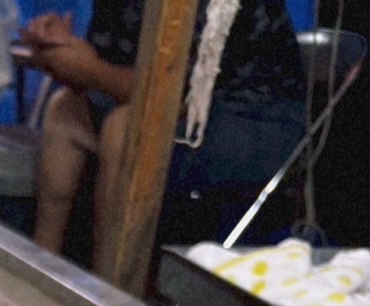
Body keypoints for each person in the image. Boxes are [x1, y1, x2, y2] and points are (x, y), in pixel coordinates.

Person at [23, 0, 306, 267]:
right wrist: (63, 51)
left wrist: (86, 68)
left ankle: (111, 290)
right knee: (65, 110)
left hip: (256, 120)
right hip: (181, 107)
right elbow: (110, 69)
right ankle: (41, 269)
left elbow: (175, 96)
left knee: (126, 131)